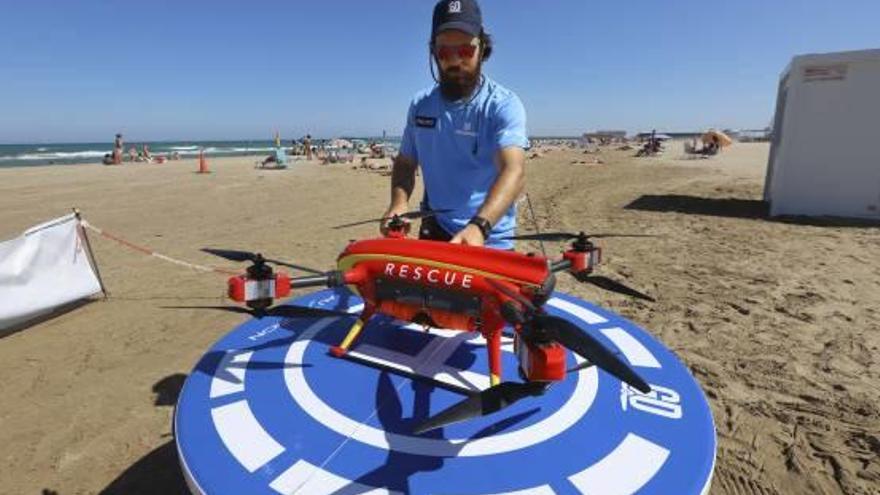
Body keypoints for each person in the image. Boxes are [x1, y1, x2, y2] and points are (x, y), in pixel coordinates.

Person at [381, 0, 528, 249]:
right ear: (433, 52)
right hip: (435, 227)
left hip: (489, 236)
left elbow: (513, 170)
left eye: (465, 51)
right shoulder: (420, 105)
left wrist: (479, 226)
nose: (455, 60)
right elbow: (406, 163)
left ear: (482, 48)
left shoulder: (502, 105)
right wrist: (398, 203)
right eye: (444, 52)